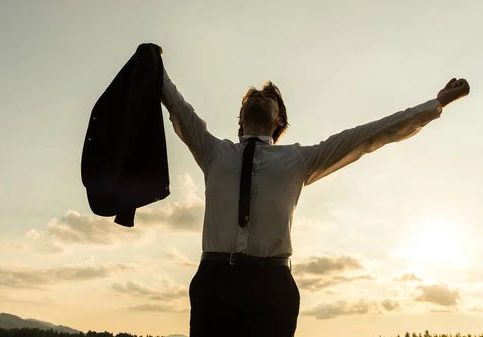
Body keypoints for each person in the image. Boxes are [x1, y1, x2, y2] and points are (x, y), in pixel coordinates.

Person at [159, 60, 470, 337]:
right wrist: (152, 61)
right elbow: (175, 104)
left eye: (268, 97)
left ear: (279, 120)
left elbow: (369, 136)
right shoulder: (213, 150)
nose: (258, 98)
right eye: (252, 97)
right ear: (241, 117)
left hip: (272, 288)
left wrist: (436, 104)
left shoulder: (299, 160)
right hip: (215, 283)